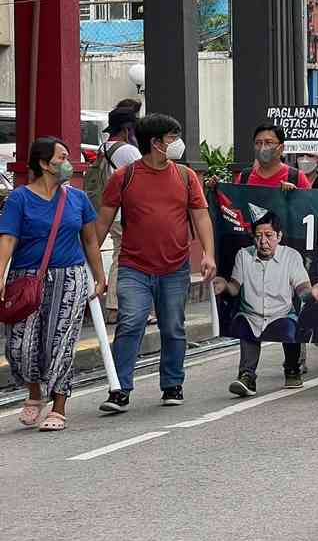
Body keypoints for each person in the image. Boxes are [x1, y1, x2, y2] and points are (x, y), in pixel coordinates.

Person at [93, 113, 216, 412]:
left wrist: (209, 254)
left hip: (174, 269)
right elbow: (103, 220)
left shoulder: (185, 177)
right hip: (134, 268)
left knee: (173, 327)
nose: (177, 144)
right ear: (155, 143)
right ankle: (119, 388)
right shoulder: (125, 177)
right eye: (172, 138)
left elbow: (200, 215)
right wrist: (89, 260)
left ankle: (172, 384)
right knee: (130, 324)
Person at [0, 138, 107, 431]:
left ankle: (58, 407)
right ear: (44, 164)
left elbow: (89, 240)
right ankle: (35, 395)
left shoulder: (77, 199)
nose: (69, 162)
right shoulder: (19, 199)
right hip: (25, 278)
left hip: (69, 277)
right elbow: (8, 238)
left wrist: (99, 276)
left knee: (60, 343)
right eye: (62, 157)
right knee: (20, 346)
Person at [214, 211, 318, 395]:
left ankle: (292, 369)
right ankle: (247, 376)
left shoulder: (291, 256)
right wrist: (224, 286)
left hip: (281, 315)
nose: (263, 242)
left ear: (279, 236)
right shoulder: (243, 256)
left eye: (269, 236)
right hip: (251, 316)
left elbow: (302, 290)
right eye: (258, 236)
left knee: (290, 327)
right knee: (243, 324)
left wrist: (313, 291)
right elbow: (235, 287)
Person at [89, 103, 143, 324]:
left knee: (119, 255)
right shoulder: (128, 150)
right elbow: (145, 175)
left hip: (107, 212)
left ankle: (115, 306)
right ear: (127, 129)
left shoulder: (103, 148)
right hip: (124, 213)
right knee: (126, 257)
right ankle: (115, 307)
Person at [232, 123, 313, 189]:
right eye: (258, 143)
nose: (263, 148)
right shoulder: (244, 177)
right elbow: (232, 206)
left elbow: (310, 206)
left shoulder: (296, 177)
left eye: (268, 142)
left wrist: (296, 195)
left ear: (281, 148)